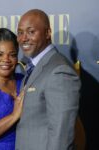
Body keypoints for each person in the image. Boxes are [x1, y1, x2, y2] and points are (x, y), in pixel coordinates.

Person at [15, 9, 81, 150]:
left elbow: (61, 136)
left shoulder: (59, 71)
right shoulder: (34, 66)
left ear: (48, 33)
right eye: (20, 32)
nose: (23, 38)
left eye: (31, 32)